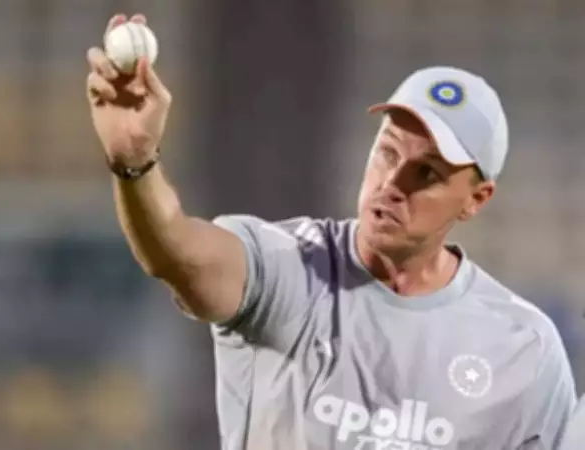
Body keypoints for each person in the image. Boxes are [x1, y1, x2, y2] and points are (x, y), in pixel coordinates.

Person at [86, 13, 577, 450]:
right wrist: (135, 163)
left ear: (476, 199)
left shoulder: (523, 349)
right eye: (387, 152)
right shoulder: (287, 268)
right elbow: (175, 252)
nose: (392, 183)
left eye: (426, 173)